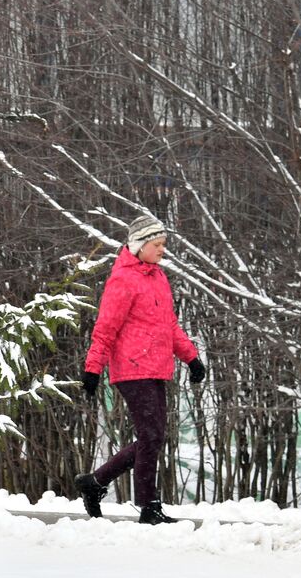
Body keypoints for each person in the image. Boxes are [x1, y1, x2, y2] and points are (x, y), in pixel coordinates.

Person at [75, 214, 206, 524]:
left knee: (154, 437)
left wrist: (192, 358)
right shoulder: (123, 280)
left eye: (163, 244)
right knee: (150, 436)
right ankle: (149, 508)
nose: (162, 250)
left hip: (156, 367)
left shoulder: (158, 277)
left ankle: (94, 483)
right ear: (140, 245)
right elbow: (105, 328)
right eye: (157, 245)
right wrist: (93, 368)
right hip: (132, 369)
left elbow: (169, 325)